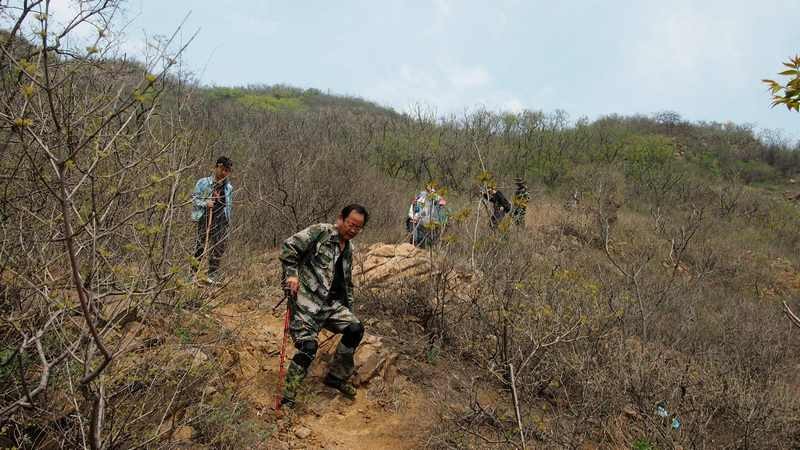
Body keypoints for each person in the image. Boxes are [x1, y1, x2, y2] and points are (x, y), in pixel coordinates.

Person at [278, 204, 369, 407]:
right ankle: (288, 397)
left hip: (331, 306)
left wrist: (348, 309)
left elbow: (346, 282)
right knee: (308, 347)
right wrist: (291, 275)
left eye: (358, 227)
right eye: (350, 224)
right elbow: (289, 247)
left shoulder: (349, 249)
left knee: (355, 329)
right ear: (341, 219)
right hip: (305, 303)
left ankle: (336, 377)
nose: (353, 230)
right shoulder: (321, 232)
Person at [191, 156, 233, 284]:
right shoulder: (203, 183)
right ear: (216, 167)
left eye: (227, 170)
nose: (225, 173)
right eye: (223, 169)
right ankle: (192, 275)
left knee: (218, 248)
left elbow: (228, 205)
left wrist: (228, 220)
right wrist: (205, 203)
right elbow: (193, 199)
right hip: (205, 218)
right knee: (200, 247)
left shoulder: (229, 188)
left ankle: (212, 276)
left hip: (221, 221)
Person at [407, 183, 448, 247]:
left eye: (432, 191)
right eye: (430, 190)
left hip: (426, 221)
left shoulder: (434, 197)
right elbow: (417, 206)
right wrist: (415, 216)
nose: (431, 192)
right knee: (415, 236)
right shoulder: (422, 195)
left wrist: (441, 202)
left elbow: (442, 201)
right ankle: (413, 246)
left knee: (425, 237)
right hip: (416, 218)